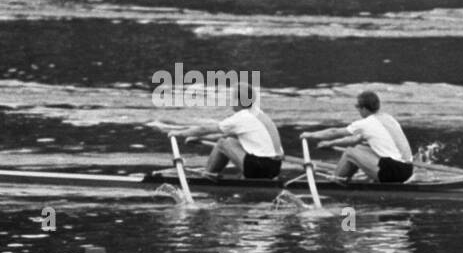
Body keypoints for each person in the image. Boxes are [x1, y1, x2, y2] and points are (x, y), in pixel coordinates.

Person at [153, 83, 284, 180]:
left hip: (261, 169)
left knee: (223, 143)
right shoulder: (258, 114)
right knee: (229, 141)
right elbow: (226, 134)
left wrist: (179, 133)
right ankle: (224, 174)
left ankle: (208, 175)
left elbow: (205, 129)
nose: (230, 102)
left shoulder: (242, 117)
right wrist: (199, 139)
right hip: (275, 168)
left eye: (232, 99)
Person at [303, 90, 414, 184]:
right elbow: (354, 140)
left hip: (394, 172)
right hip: (408, 169)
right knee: (358, 148)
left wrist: (310, 135)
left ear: (364, 109)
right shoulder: (389, 118)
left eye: (358, 107)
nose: (358, 111)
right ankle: (346, 179)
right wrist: (330, 144)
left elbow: (334, 131)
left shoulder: (365, 123)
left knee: (350, 152)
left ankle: (335, 182)